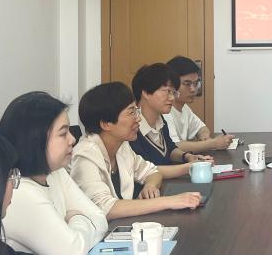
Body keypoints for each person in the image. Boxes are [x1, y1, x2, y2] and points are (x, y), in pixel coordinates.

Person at [0, 92, 109, 255]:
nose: (72, 139)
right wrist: (79, 218)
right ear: (35, 140)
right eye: (63, 133)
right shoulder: (19, 191)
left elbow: (100, 218)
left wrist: (73, 227)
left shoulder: (56, 173)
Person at [70, 82, 204, 221]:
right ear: (106, 124)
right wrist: (171, 201)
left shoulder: (121, 146)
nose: (138, 118)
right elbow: (106, 209)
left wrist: (150, 186)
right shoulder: (85, 155)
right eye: (131, 112)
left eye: (136, 110)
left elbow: (152, 172)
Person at [130, 63, 210, 167]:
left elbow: (170, 149)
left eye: (173, 93)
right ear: (145, 92)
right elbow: (145, 170)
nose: (172, 98)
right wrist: (188, 167)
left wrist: (188, 157)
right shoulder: (132, 128)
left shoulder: (160, 120)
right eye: (167, 91)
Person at [164, 55, 233, 152]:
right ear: (172, 84)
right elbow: (174, 146)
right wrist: (213, 143)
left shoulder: (184, 108)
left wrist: (204, 137)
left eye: (196, 83)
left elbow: (202, 128)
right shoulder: (165, 110)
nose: (193, 89)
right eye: (187, 84)